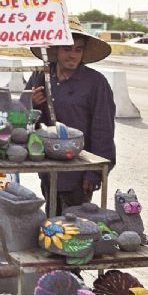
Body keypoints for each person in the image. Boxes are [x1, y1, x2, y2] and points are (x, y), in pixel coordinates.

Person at [26, 17, 116, 215]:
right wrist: (32, 103)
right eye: (67, 49)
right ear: (56, 49)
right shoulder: (41, 76)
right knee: (52, 220)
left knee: (74, 228)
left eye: (78, 49)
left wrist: (95, 173)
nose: (72, 55)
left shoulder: (95, 83)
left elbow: (103, 130)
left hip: (80, 173)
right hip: (49, 168)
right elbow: (23, 119)